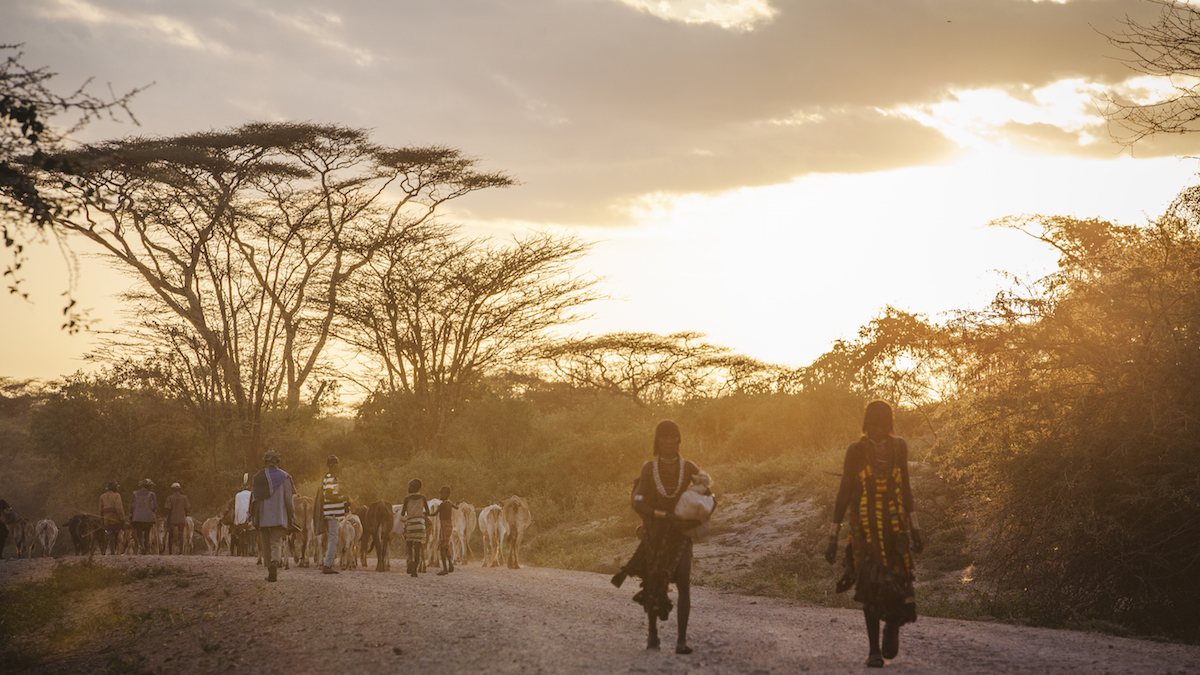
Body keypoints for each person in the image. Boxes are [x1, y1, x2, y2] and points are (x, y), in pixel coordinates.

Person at [825, 400, 924, 668]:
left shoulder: (899, 447)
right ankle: (874, 651)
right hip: (864, 529)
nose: (877, 430)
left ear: (889, 425)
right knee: (869, 585)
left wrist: (915, 528)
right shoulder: (856, 450)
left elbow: (906, 488)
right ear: (866, 425)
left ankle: (892, 625)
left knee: (899, 580)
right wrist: (833, 537)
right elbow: (844, 492)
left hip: (895, 528)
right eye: (873, 425)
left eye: (882, 425)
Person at [615, 420, 707, 655]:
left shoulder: (689, 468)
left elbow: (707, 493)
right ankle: (653, 635)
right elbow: (638, 502)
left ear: (679, 439)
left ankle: (681, 641)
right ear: (658, 441)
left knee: (684, 583)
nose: (669, 441)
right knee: (654, 581)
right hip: (654, 533)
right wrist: (662, 515)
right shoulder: (648, 469)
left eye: (673, 437)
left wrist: (697, 513)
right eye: (664, 437)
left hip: (680, 533)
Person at [251, 449, 295, 582]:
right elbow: (289, 500)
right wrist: (291, 517)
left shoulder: (258, 477)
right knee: (276, 541)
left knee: (265, 543)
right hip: (279, 516)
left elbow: (254, 499)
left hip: (263, 516)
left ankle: (270, 568)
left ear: (265, 461)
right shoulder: (285, 477)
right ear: (277, 461)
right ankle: (275, 563)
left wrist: (254, 518)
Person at [314, 455, 349, 574]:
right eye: (332, 464)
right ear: (329, 466)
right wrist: (341, 498)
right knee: (333, 538)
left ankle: (330, 563)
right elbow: (328, 495)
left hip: (334, 512)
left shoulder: (333, 478)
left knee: (332, 538)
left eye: (335, 464)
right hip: (332, 512)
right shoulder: (330, 478)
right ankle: (327, 565)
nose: (334, 466)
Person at [400, 479, 430, 578]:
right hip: (420, 524)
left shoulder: (407, 498)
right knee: (417, 548)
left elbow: (403, 513)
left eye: (409, 486)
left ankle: (411, 560)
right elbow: (428, 512)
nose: (408, 488)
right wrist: (421, 515)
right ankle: (415, 572)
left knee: (409, 545)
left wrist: (406, 518)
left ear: (413, 487)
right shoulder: (423, 497)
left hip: (411, 524)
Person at [129, 478, 159, 555]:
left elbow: (131, 506)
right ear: (148, 486)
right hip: (148, 519)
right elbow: (155, 506)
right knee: (147, 534)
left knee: (139, 534)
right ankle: (145, 549)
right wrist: (153, 512)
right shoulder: (152, 494)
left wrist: (131, 515)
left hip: (137, 518)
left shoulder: (134, 493)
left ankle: (142, 546)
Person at [434, 486, 458, 576]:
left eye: (441, 493)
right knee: (446, 545)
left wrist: (425, 514)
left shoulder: (443, 504)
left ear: (446, 495)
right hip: (449, 525)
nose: (439, 495)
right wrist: (458, 504)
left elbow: (434, 514)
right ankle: (450, 565)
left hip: (443, 525)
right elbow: (457, 507)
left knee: (442, 546)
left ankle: (444, 569)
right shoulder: (449, 503)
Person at [99, 481, 126, 555]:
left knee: (110, 534)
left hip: (106, 516)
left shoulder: (102, 496)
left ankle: (112, 552)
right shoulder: (117, 495)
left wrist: (101, 519)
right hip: (115, 515)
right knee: (116, 534)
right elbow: (119, 507)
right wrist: (122, 518)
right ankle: (115, 549)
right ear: (114, 487)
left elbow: (100, 509)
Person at [164, 482, 190, 555]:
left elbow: (168, 509)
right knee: (181, 535)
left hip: (172, 520)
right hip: (181, 519)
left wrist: (168, 520)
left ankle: (170, 552)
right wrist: (185, 514)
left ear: (172, 489)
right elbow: (187, 508)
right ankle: (180, 551)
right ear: (179, 489)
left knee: (170, 536)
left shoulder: (169, 498)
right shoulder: (184, 498)